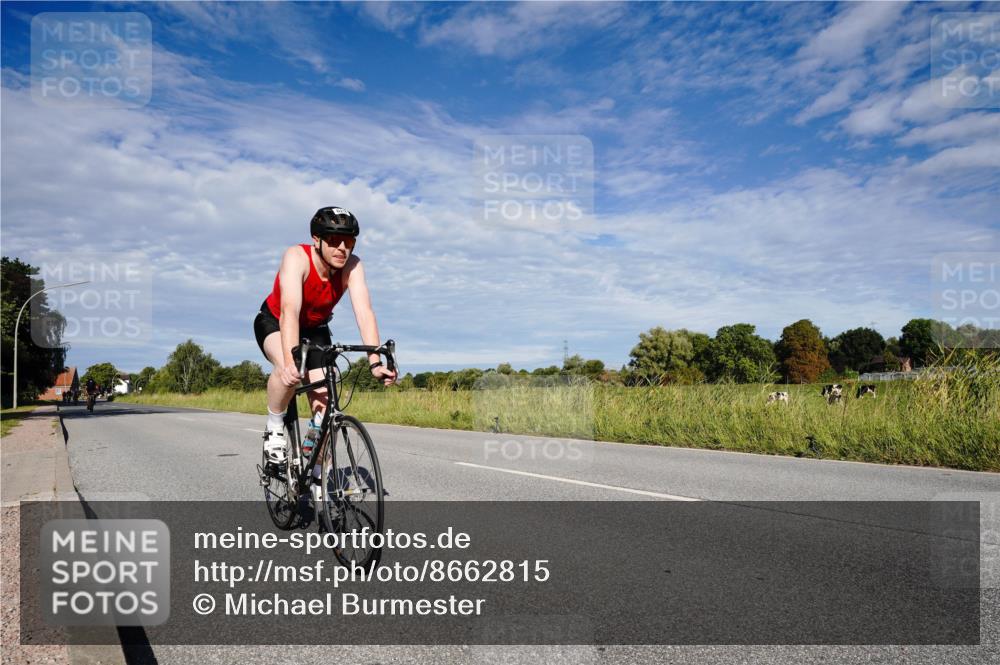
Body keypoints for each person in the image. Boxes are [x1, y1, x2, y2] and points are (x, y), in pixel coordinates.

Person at [254, 206, 396, 464]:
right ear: (316, 240)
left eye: (349, 241)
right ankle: (275, 426)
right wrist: (290, 361)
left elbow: (364, 312)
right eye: (333, 240)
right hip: (276, 321)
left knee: (325, 408)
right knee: (288, 372)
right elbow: (289, 310)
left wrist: (375, 363)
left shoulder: (352, 266)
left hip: (315, 328)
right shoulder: (297, 257)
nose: (342, 248)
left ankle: (318, 477)